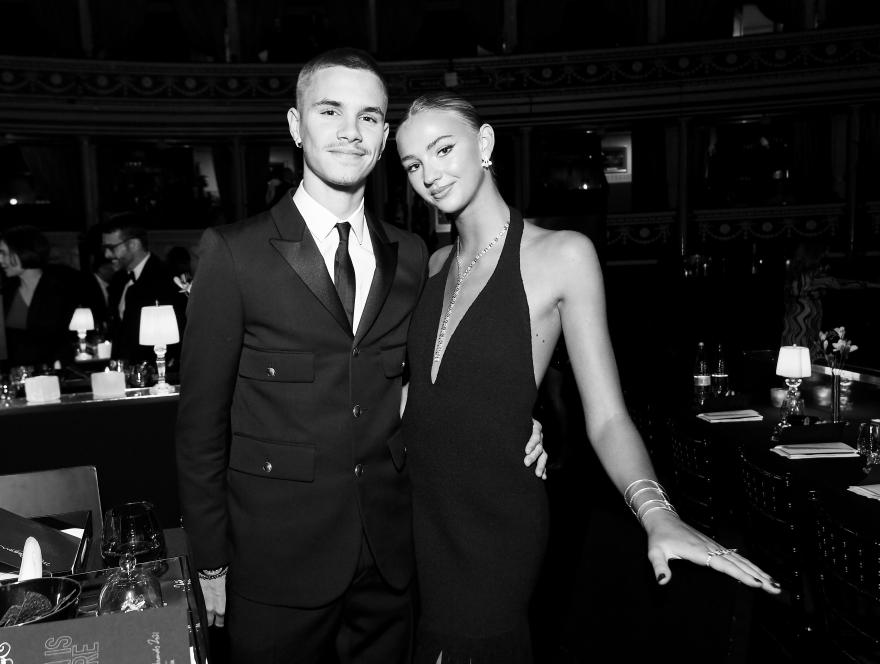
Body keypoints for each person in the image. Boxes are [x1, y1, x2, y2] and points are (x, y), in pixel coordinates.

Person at [175, 49, 547, 664]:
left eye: (370, 117)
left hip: (391, 560)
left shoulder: (413, 255)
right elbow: (199, 426)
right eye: (330, 111)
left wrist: (518, 419)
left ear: (381, 142)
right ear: (296, 126)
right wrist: (210, 559)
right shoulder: (233, 253)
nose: (350, 131)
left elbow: (444, 368)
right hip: (275, 567)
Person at [395, 92, 781, 664]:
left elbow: (606, 417)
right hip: (418, 516)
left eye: (443, 149)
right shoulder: (429, 265)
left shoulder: (562, 255)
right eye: (412, 165)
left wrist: (658, 513)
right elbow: (419, 395)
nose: (430, 174)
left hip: (494, 522)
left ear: (485, 144)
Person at [101, 213, 185, 365]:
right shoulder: (118, 280)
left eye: (111, 247)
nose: (106, 254)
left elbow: (178, 335)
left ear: (133, 244)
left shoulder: (166, 278)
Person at [0, 225, 81, 367]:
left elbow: (65, 341)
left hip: (53, 376)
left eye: (4, 253)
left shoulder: (60, 290)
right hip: (15, 376)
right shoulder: (6, 292)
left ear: (22, 252)